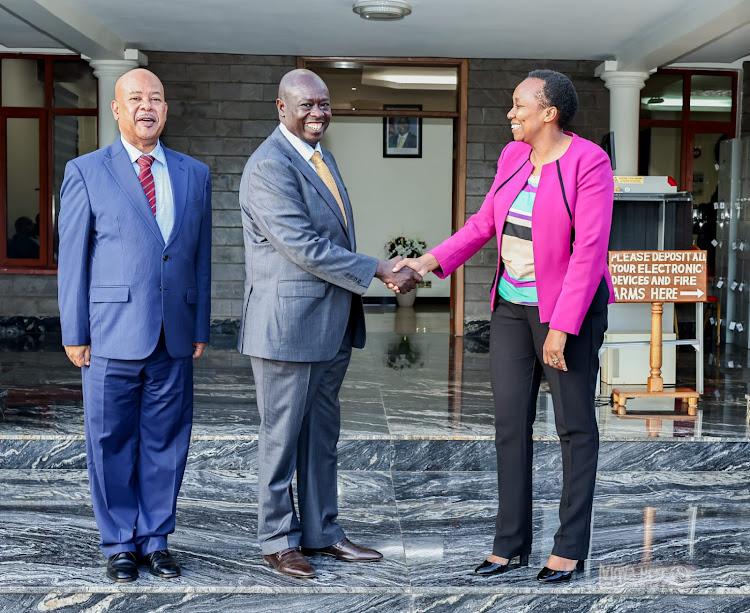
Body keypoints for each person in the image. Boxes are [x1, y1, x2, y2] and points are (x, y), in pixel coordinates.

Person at [395, 69, 613, 584]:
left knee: (574, 426)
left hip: (568, 312)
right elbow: (484, 224)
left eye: (519, 105)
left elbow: (589, 250)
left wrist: (562, 326)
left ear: (549, 112)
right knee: (510, 427)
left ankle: (568, 548)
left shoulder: (590, 162)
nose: (511, 113)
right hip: (513, 308)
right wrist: (427, 263)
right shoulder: (513, 157)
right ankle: (510, 544)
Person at [238, 68, 420, 579]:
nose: (318, 112)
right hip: (286, 327)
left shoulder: (320, 157)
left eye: (324, 104)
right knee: (281, 438)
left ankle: (321, 531)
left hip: (329, 325)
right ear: (281, 107)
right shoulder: (268, 167)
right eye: (306, 105)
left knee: (321, 435)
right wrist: (378, 268)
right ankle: (277, 539)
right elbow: (303, 246)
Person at [57, 68, 212, 583]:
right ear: (116, 109)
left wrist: (199, 325)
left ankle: (158, 539)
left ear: (167, 110)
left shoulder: (194, 174)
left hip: (173, 333)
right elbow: (73, 257)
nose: (148, 106)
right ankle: (121, 542)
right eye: (136, 98)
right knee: (109, 441)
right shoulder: (85, 171)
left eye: (157, 99)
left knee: (168, 441)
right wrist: (74, 332)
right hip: (109, 333)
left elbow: (200, 258)